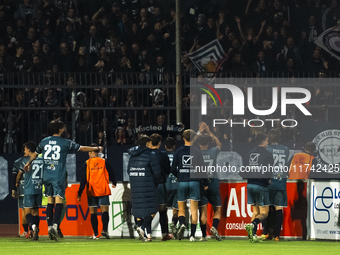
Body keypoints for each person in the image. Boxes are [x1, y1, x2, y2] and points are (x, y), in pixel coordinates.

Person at [24, 120, 104, 242]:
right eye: (63, 127)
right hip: (57, 176)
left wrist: (28, 163)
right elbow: (81, 148)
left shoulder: (44, 142)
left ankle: (50, 226)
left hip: (46, 176)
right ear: (60, 129)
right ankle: (55, 225)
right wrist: (96, 148)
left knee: (50, 201)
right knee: (59, 201)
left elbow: (35, 154)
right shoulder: (65, 142)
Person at [172, 129, 207, 242]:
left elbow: (172, 168)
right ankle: (192, 236)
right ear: (194, 139)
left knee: (181, 208)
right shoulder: (197, 151)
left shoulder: (178, 151)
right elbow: (202, 170)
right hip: (195, 182)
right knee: (194, 210)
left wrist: (179, 175)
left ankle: (182, 224)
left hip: (182, 181)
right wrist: (205, 183)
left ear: (183, 138)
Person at [127, 135, 163, 242]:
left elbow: (129, 171)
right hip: (148, 185)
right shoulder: (151, 155)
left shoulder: (132, 156)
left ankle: (147, 235)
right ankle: (142, 228)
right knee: (153, 208)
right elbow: (157, 173)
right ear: (147, 143)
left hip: (135, 185)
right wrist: (156, 183)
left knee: (138, 211)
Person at [77, 143, 117, 239]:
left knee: (93, 212)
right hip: (103, 189)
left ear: (90, 152)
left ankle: (95, 234)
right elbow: (112, 172)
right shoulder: (104, 161)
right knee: (105, 211)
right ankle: (105, 230)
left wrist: (80, 192)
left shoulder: (86, 163)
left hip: (92, 190)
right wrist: (114, 182)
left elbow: (84, 179)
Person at [244, 133, 274, 243]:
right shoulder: (267, 154)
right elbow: (269, 170)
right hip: (261, 185)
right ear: (262, 141)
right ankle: (252, 225)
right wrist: (268, 179)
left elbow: (244, 170)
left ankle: (252, 235)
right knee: (264, 213)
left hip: (250, 184)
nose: (268, 142)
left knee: (255, 211)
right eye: (267, 140)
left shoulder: (249, 153)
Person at [262, 129, 289, 241]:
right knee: (279, 209)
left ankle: (265, 232)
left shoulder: (266, 149)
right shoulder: (286, 150)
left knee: (265, 208)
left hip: (269, 182)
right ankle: (277, 235)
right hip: (281, 182)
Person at [196, 123, 222, 241]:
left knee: (203, 211)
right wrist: (210, 132)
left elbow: (190, 144)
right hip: (214, 184)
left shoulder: (196, 153)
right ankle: (214, 227)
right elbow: (219, 144)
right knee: (217, 209)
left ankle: (203, 235)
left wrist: (199, 132)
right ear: (208, 142)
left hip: (201, 185)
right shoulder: (213, 151)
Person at [16, 141, 43, 241]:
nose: (24, 151)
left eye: (26, 149)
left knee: (27, 210)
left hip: (29, 188)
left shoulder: (25, 160)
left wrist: (16, 183)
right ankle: (36, 228)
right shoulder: (41, 159)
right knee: (35, 211)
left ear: (29, 150)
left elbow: (19, 174)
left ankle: (33, 227)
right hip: (38, 188)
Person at [148, 133, 172, 241]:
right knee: (162, 210)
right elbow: (168, 170)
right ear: (159, 143)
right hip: (160, 184)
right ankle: (164, 234)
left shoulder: (146, 154)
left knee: (149, 209)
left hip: (148, 184)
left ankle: (145, 230)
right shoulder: (163, 154)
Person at [12, 150, 29, 237]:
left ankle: (26, 231)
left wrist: (14, 188)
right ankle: (33, 229)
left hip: (22, 187)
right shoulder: (38, 159)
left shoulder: (19, 161)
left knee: (23, 209)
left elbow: (16, 176)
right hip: (34, 187)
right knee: (33, 209)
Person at [164, 137, 178, 238]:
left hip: (165, 185)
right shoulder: (177, 155)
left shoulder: (162, 156)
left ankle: (165, 231)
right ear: (174, 146)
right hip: (176, 185)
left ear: (165, 146)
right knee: (176, 209)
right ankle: (173, 230)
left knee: (163, 209)